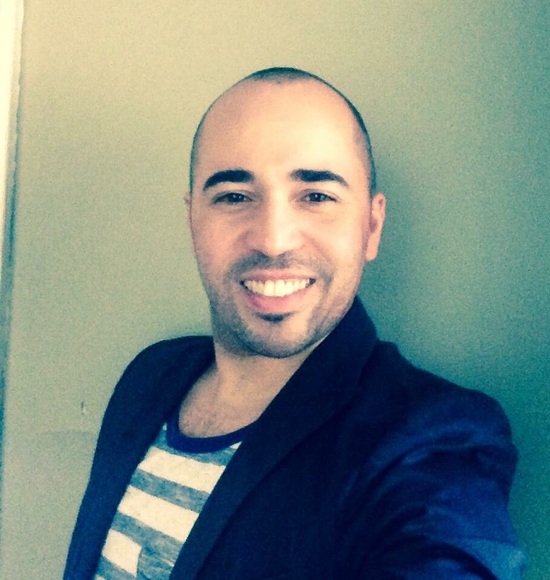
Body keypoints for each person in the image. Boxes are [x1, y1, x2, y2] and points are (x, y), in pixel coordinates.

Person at [65, 67, 525, 579]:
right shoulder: (150, 375)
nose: (273, 239)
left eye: (316, 197)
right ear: (193, 221)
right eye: (234, 196)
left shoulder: (433, 439)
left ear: (371, 226)